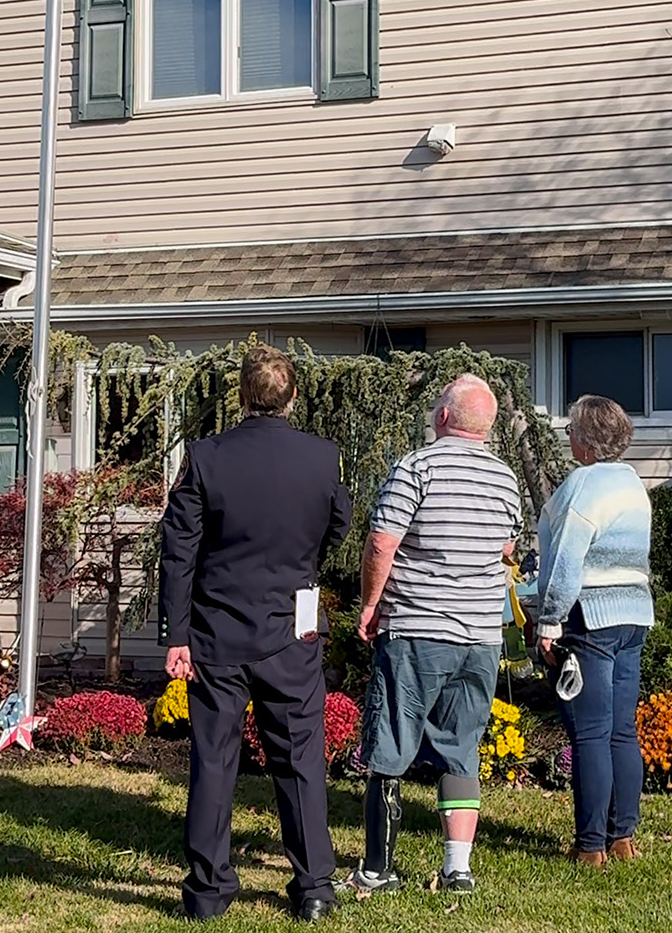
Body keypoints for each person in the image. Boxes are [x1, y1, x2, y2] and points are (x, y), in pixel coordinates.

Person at [158, 345, 352, 923]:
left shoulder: (205, 457)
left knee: (214, 762)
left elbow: (178, 551)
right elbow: (339, 524)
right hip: (293, 629)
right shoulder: (323, 459)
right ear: (293, 397)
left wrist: (176, 633)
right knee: (299, 760)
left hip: (216, 631)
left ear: (241, 395)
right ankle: (314, 886)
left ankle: (208, 892)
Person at [341, 374, 523, 896]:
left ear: (443, 417)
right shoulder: (506, 480)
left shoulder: (415, 467)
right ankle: (458, 869)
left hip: (418, 628)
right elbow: (507, 549)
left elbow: (381, 544)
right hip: (482, 637)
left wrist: (371, 604)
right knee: (462, 747)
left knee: (392, 743)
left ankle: (377, 869)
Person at [534, 394, 655, 869]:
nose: (566, 437)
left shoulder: (582, 486)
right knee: (621, 731)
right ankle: (622, 836)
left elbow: (565, 564)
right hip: (633, 615)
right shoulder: (632, 483)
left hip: (589, 618)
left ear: (584, 440)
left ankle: (590, 846)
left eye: (569, 431)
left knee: (589, 734)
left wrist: (548, 622)